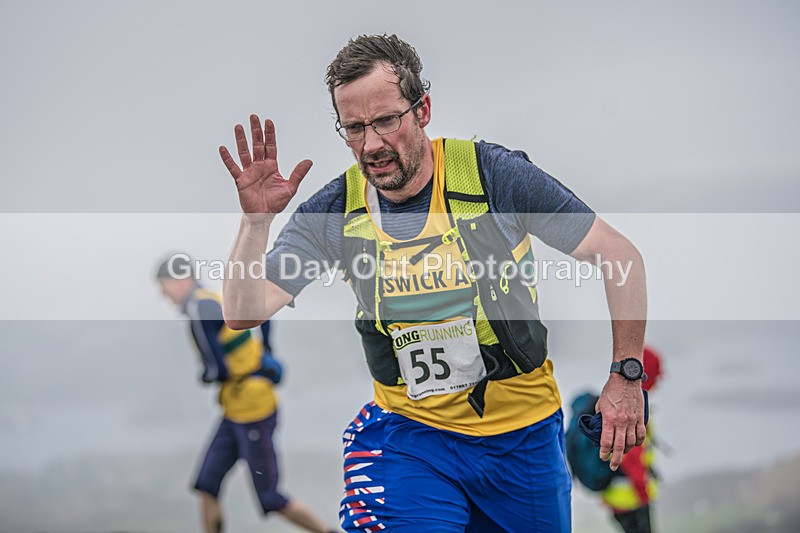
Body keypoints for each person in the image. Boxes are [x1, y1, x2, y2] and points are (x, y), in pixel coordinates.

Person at [217, 33, 648, 532]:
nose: (371, 144)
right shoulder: (337, 209)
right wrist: (255, 224)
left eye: (385, 121)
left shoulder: (493, 177)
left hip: (522, 436)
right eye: (353, 128)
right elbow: (244, 310)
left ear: (422, 110)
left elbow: (620, 256)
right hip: (409, 438)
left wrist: (626, 374)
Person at [155, 255, 337, 533]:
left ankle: (327, 531)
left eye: (164, 284)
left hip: (253, 409)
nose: (162, 293)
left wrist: (205, 376)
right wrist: (266, 350)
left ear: (182, 279)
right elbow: (258, 314)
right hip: (235, 409)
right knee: (206, 484)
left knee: (270, 497)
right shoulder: (211, 299)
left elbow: (217, 370)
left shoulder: (199, 308)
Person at [601, 345, 663, 533]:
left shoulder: (618, 402)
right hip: (632, 498)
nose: (661, 379)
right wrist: (644, 494)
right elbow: (633, 456)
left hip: (619, 498)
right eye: (657, 374)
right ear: (645, 374)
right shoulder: (632, 409)